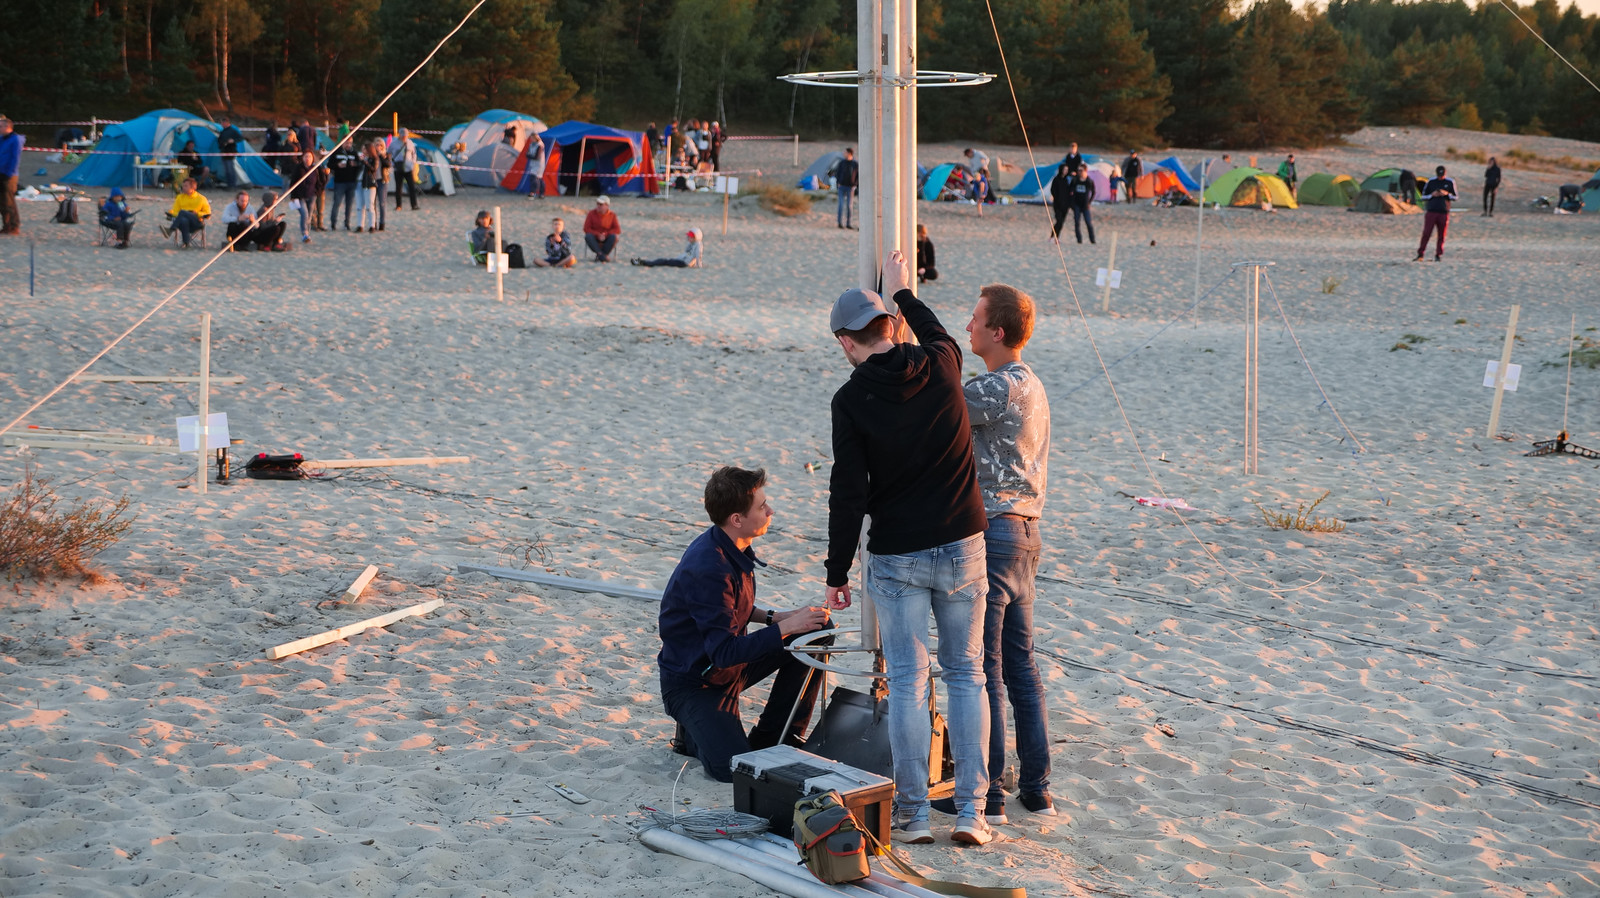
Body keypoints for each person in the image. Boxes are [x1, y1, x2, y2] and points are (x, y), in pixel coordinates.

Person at [823, 250, 995, 846]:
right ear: (892, 328)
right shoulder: (942, 364)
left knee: (908, 683)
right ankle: (972, 813)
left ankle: (916, 815)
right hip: (962, 542)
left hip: (897, 552)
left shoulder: (850, 400)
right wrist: (902, 291)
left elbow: (847, 493)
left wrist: (836, 572)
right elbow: (937, 331)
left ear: (846, 342)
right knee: (966, 675)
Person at [952, 284, 1055, 824]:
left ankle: (989, 793)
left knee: (986, 667)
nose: (967, 327)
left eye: (974, 319)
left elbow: (939, 408)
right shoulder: (1031, 382)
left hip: (995, 533)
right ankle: (1036, 788)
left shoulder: (997, 386)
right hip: (1026, 532)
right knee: (1021, 666)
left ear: (997, 330)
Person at [659, 466, 835, 783]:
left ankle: (778, 738)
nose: (770, 511)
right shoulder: (709, 566)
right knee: (733, 770)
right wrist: (785, 628)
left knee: (817, 630)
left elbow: (728, 608)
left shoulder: (731, 544)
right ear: (737, 519)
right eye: (762, 506)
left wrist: (775, 618)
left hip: (728, 669)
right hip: (696, 682)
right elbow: (724, 651)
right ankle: (693, 732)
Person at [1415, 165, 1457, 262]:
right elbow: (1423, 196)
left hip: (1443, 211)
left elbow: (1455, 197)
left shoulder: (1450, 182)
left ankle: (1438, 254)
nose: (1440, 177)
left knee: (1441, 235)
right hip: (1431, 211)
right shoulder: (1431, 182)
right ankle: (1420, 253)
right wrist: (1432, 195)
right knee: (1426, 233)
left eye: (1442, 175)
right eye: (1439, 175)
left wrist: (1446, 194)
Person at [161, 178, 211, 248]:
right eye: (183, 186)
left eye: (186, 186)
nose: (183, 188)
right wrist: (182, 214)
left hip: (196, 222)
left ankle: (171, 230)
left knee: (182, 212)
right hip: (182, 223)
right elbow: (175, 211)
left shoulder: (201, 198)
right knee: (184, 219)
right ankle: (186, 243)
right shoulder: (179, 197)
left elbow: (208, 214)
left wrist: (197, 213)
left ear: (193, 188)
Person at [1056, 163, 1096, 245]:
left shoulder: (1089, 181)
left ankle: (1092, 240)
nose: (1079, 172)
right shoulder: (1075, 180)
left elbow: (1093, 192)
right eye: (1078, 170)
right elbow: (1070, 191)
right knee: (1077, 222)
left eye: (1081, 170)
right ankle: (1079, 240)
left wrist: (1089, 202)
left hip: (1085, 205)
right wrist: (1072, 203)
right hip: (1076, 204)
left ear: (1085, 171)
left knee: (1088, 223)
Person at [327, 139, 361, 231]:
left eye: (350, 143)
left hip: (351, 182)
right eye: (346, 142)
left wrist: (356, 164)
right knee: (337, 203)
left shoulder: (354, 153)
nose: (348, 144)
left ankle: (347, 223)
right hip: (339, 182)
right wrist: (338, 165)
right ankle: (333, 223)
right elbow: (329, 164)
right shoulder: (336, 152)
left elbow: (359, 165)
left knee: (349, 204)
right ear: (342, 142)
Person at [631, 228, 703, 267]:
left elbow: (698, 256)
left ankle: (643, 262)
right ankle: (644, 262)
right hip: (681, 261)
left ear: (696, 237)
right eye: (688, 236)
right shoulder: (692, 244)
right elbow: (688, 253)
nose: (688, 238)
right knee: (664, 261)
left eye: (691, 237)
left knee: (664, 261)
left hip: (683, 263)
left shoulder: (698, 245)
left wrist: (698, 266)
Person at [0, 117, 24, 235]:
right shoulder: (2, 139)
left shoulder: (15, 139)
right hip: (1, 172)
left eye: (0, 126)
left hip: (9, 174)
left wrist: (9, 173)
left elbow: (15, 158)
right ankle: (6, 225)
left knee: (9, 202)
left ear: (7, 127)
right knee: (2, 202)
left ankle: (14, 226)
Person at [583, 195, 620, 262]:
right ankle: (601, 255)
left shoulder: (612, 215)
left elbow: (617, 229)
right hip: (595, 237)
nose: (598, 206)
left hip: (607, 237)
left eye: (601, 204)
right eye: (597, 204)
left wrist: (606, 234)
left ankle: (601, 255)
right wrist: (597, 234)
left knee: (614, 236)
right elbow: (586, 228)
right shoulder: (591, 213)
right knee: (588, 236)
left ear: (607, 206)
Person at [392, 128, 421, 211]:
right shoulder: (394, 144)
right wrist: (392, 164)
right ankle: (398, 205)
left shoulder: (410, 143)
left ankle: (414, 205)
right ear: (400, 135)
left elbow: (414, 154)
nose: (404, 137)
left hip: (408, 168)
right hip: (398, 168)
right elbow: (389, 154)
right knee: (398, 187)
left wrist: (412, 163)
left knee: (411, 187)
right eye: (403, 135)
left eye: (405, 135)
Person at [354, 140, 379, 232]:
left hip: (369, 183)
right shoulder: (362, 159)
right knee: (359, 206)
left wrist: (365, 162)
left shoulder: (374, 159)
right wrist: (357, 163)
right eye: (362, 149)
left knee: (369, 206)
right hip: (359, 182)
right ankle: (360, 225)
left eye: (365, 149)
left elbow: (373, 169)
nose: (363, 151)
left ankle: (372, 225)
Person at [217, 117, 244, 188]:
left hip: (230, 151)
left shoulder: (233, 130)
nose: (221, 124)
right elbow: (219, 141)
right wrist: (222, 144)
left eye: (222, 123)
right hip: (224, 151)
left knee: (230, 169)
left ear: (226, 122)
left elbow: (240, 138)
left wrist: (233, 140)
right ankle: (229, 184)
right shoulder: (223, 131)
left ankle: (232, 185)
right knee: (227, 170)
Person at [835, 147, 859, 230]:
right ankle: (839, 223)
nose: (843, 154)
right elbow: (837, 173)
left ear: (849, 153)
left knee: (849, 206)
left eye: (845, 152)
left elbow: (857, 175)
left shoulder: (855, 164)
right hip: (841, 186)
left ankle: (848, 223)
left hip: (850, 187)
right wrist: (838, 182)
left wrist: (855, 184)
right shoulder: (842, 163)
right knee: (841, 205)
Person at [372, 140, 391, 232]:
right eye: (376, 145)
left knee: (382, 203)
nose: (378, 147)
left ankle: (382, 223)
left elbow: (388, 164)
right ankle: (373, 223)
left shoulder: (386, 155)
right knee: (373, 203)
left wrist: (381, 155)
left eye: (380, 145)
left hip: (382, 181)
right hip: (373, 180)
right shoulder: (372, 155)